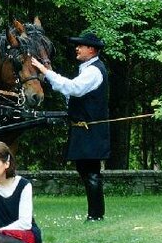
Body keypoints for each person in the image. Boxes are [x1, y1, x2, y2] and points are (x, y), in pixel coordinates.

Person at [31, 31, 109, 221]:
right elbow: (72, 94)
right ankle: (95, 214)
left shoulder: (94, 71)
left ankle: (96, 215)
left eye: (80, 45)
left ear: (91, 49)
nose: (77, 48)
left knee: (91, 172)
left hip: (91, 130)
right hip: (84, 130)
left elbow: (73, 88)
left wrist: (45, 71)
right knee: (86, 171)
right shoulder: (87, 69)